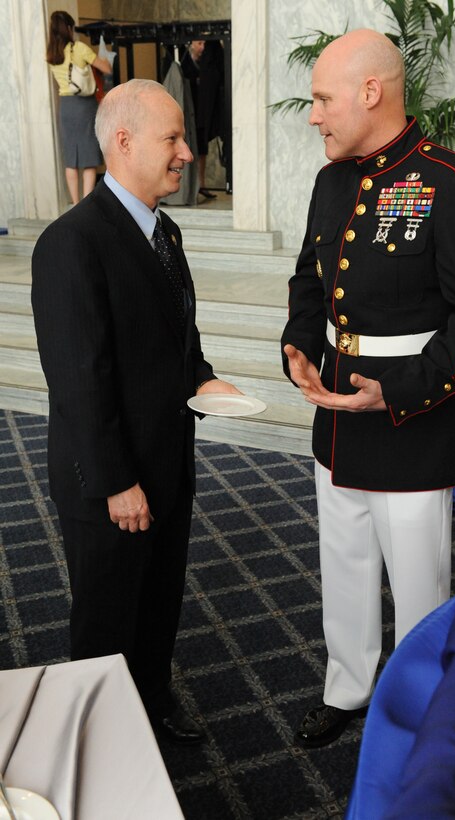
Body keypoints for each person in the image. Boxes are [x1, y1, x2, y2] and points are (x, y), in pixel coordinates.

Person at [281, 29, 455, 748]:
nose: (314, 115)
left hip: (413, 419)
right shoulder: (331, 181)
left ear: (371, 92)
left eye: (324, 99)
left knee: (418, 587)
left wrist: (398, 391)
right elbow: (309, 278)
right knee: (343, 564)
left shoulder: (454, 182)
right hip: (336, 415)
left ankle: (417, 709)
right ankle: (347, 687)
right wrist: (298, 343)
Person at [31, 79, 242, 744]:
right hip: (109, 481)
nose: (187, 153)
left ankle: (150, 701)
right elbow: (78, 380)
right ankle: (95, 739)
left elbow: (180, 339)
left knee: (158, 601)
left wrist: (205, 379)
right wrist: (117, 481)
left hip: (167, 463)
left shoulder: (164, 230)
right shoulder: (72, 242)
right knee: (107, 617)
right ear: (123, 142)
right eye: (172, 138)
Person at [46, 10, 112, 205]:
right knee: (89, 157)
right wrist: (104, 60)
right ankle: (86, 204)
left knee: (71, 159)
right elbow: (106, 69)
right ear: (69, 28)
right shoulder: (79, 48)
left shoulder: (51, 54)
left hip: (66, 108)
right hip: (84, 105)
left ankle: (75, 205)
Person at [181, 40, 217, 199]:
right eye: (199, 43)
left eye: (204, 44)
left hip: (201, 113)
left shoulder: (207, 63)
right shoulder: (183, 62)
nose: (202, 47)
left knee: (202, 149)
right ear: (191, 44)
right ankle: (188, 186)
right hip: (187, 111)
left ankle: (201, 184)